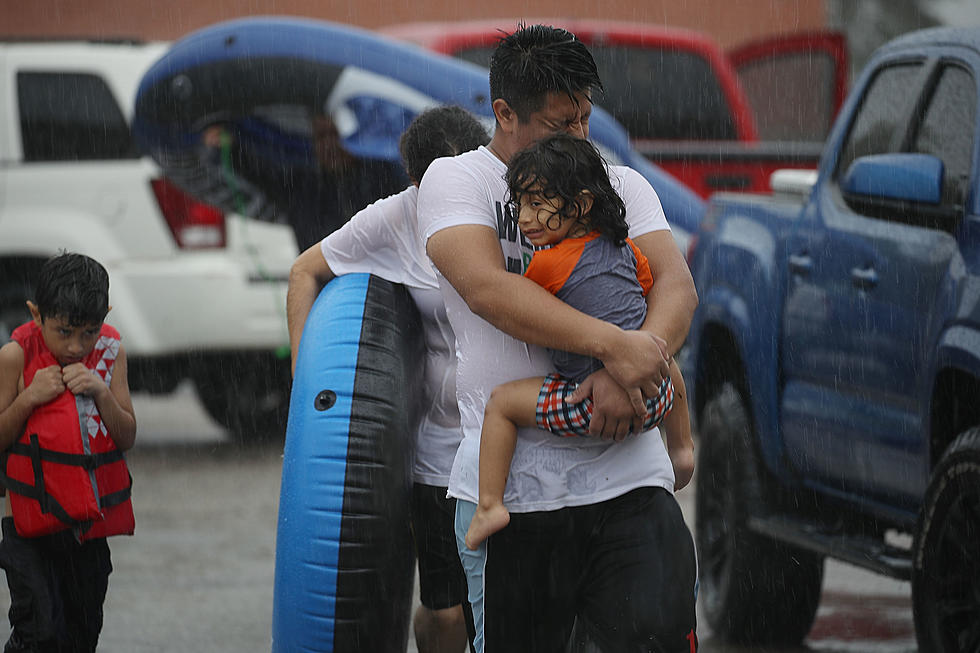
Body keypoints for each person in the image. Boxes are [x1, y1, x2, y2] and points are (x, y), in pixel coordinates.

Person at [416, 24, 700, 653]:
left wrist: (638, 361)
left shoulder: (618, 185)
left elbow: (675, 287)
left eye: (584, 120)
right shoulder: (456, 182)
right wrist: (611, 345)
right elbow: (490, 291)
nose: (578, 138)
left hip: (629, 480)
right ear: (504, 113)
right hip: (513, 494)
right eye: (557, 125)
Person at [286, 105, 490, 653]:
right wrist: (305, 398)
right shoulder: (398, 217)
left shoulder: (513, 208)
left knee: (508, 605)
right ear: (415, 181)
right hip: (439, 458)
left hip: (512, 444)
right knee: (446, 615)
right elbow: (306, 271)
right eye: (436, 190)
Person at [464, 134, 695, 551]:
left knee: (501, 404)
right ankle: (681, 447)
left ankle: (489, 505)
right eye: (520, 206)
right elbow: (645, 286)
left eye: (538, 204)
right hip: (654, 395)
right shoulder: (624, 248)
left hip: (588, 404)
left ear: (581, 205)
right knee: (663, 355)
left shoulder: (546, 265)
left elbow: (528, 312)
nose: (526, 219)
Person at [0, 252, 137, 653]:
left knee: (81, 633)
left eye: (89, 333)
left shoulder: (111, 356)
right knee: (38, 631)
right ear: (36, 314)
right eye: (64, 332)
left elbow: (126, 435)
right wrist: (28, 399)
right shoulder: (15, 356)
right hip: (27, 526)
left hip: (86, 530)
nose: (77, 346)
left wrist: (99, 390)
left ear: (105, 318)